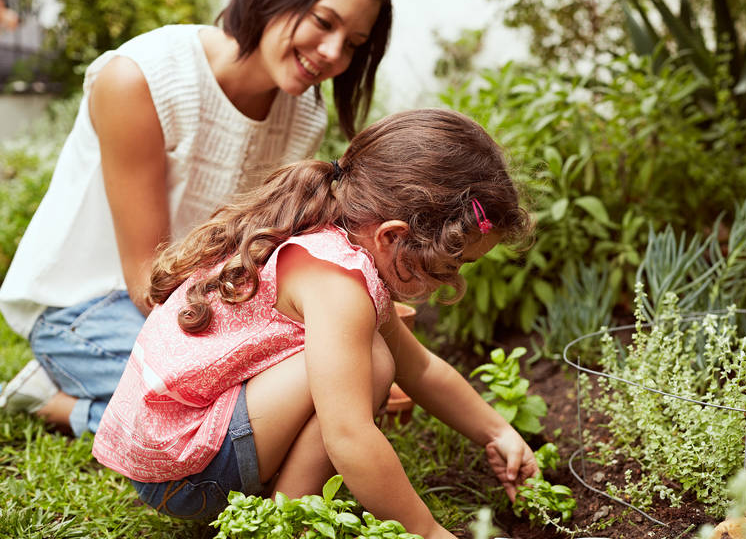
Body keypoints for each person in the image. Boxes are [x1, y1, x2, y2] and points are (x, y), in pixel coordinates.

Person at [0, 0, 392, 438]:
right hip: (85, 307)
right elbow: (148, 279)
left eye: (354, 43)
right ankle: (56, 402)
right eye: (323, 21)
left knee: (280, 397)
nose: (335, 53)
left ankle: (74, 404)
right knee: (246, 415)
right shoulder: (139, 78)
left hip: (191, 303)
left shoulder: (303, 114)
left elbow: (260, 250)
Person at [91, 108, 537, 539]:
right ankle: (283, 522)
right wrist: (427, 531)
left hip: (170, 453)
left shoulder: (331, 240)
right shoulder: (338, 285)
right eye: (451, 265)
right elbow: (348, 436)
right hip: (185, 473)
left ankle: (277, 510)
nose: (453, 281)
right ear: (392, 236)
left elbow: (419, 368)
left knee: (376, 357)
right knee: (373, 363)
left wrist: (497, 431)